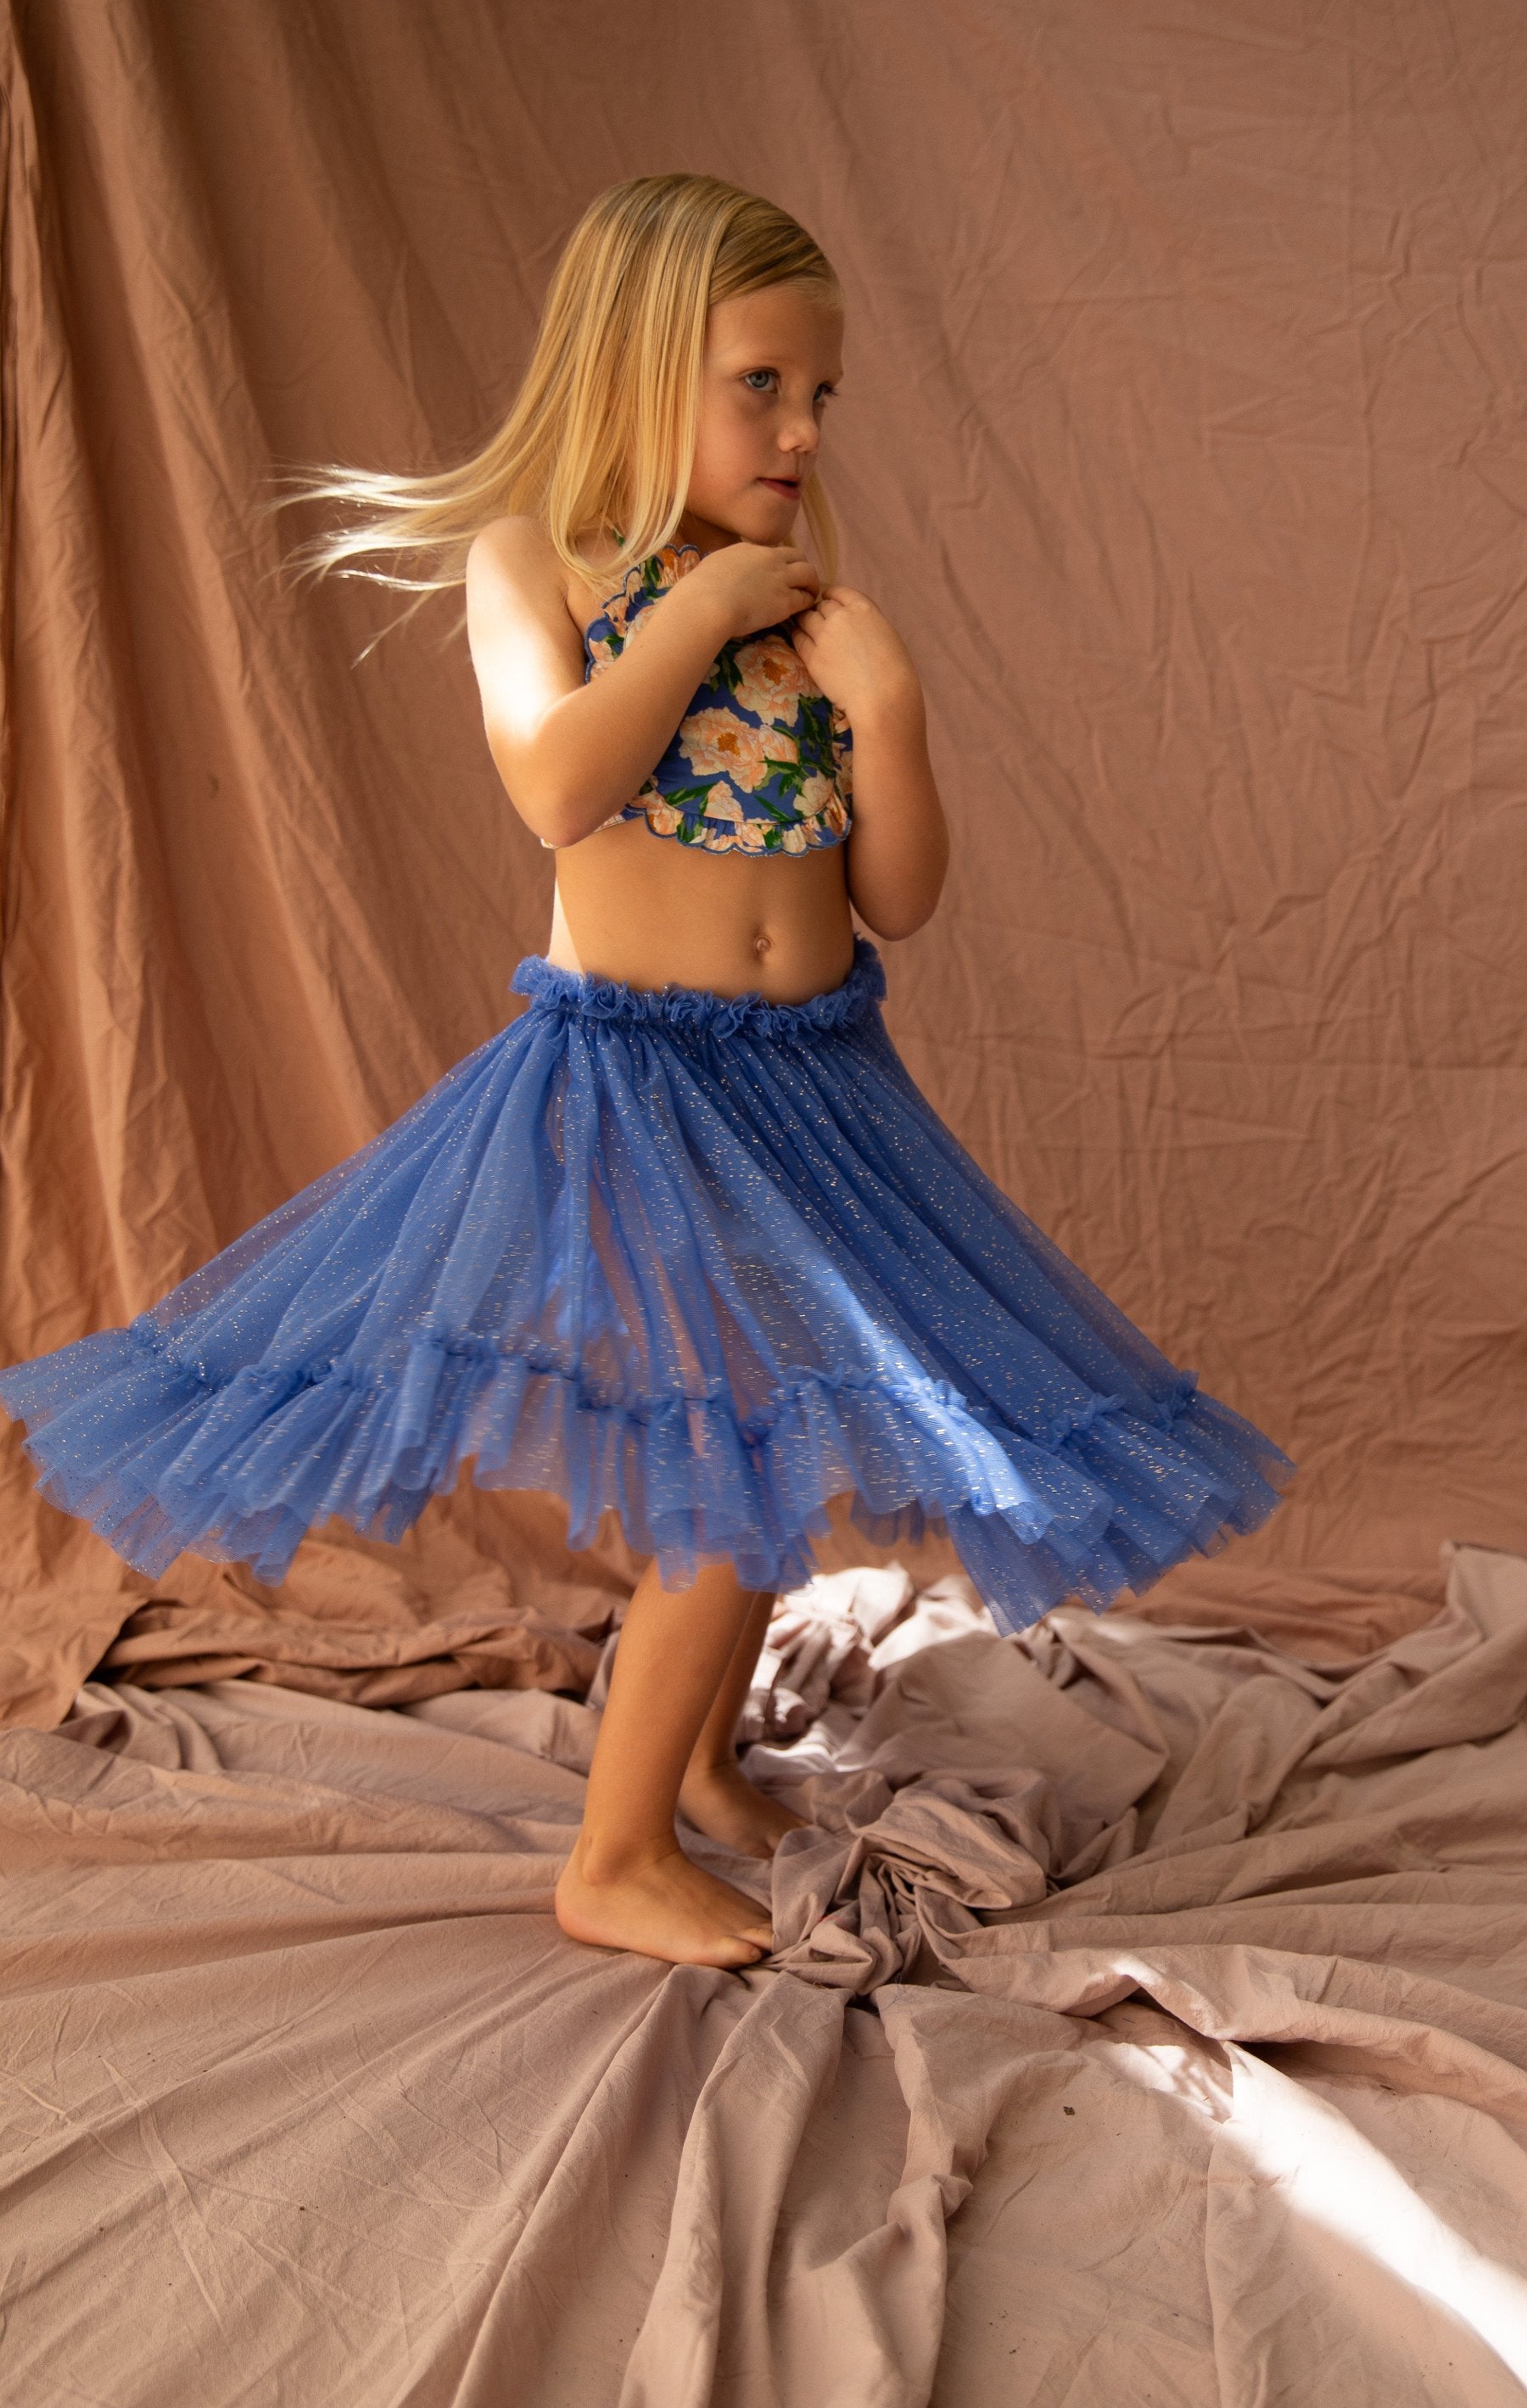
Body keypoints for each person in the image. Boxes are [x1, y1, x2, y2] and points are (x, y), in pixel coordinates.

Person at [0, 173, 1292, 1969]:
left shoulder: (805, 614)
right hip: (635, 1082)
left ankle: (689, 1761)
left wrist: (889, 707)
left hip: (815, 1084)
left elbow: (897, 896)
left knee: (781, 1450)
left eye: (820, 396)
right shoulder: (542, 565)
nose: (798, 429)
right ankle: (606, 1854)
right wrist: (690, 621)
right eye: (758, 384)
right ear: (636, 373)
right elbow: (557, 781)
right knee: (741, 1459)